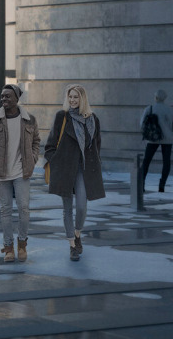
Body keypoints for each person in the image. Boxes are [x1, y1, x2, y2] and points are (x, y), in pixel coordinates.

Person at [44, 85, 104, 262]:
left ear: (82, 99)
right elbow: (50, 144)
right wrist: (55, 161)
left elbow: (97, 146)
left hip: (83, 169)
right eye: (70, 97)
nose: (72, 100)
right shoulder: (62, 117)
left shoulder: (93, 120)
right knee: (67, 208)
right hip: (64, 168)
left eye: (76, 97)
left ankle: (77, 233)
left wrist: (95, 164)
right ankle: (72, 246)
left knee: (82, 206)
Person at [0, 84, 40, 263]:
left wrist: (32, 158)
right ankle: (8, 248)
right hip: (1, 173)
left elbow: (36, 141)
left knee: (23, 209)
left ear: (16, 98)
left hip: (22, 172)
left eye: (7, 96)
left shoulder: (29, 119)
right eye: (2, 96)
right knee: (5, 211)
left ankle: (22, 244)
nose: (3, 99)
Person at [139, 90, 173, 193]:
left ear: (155, 97)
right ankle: (162, 185)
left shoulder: (149, 108)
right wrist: (168, 129)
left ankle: (141, 184)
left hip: (152, 139)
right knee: (166, 162)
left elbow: (142, 124)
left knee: (146, 161)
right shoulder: (171, 109)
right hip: (167, 139)